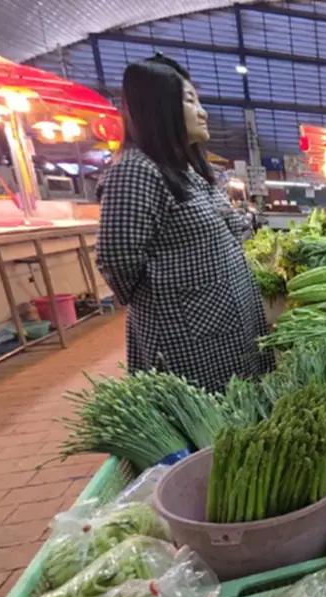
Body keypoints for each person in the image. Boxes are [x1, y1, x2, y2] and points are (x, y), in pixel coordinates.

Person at [96, 55, 273, 392]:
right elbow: (117, 261)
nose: (203, 111)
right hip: (188, 336)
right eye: (191, 101)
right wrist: (171, 299)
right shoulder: (135, 171)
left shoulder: (188, 171)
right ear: (159, 109)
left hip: (227, 323)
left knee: (239, 408)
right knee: (208, 419)